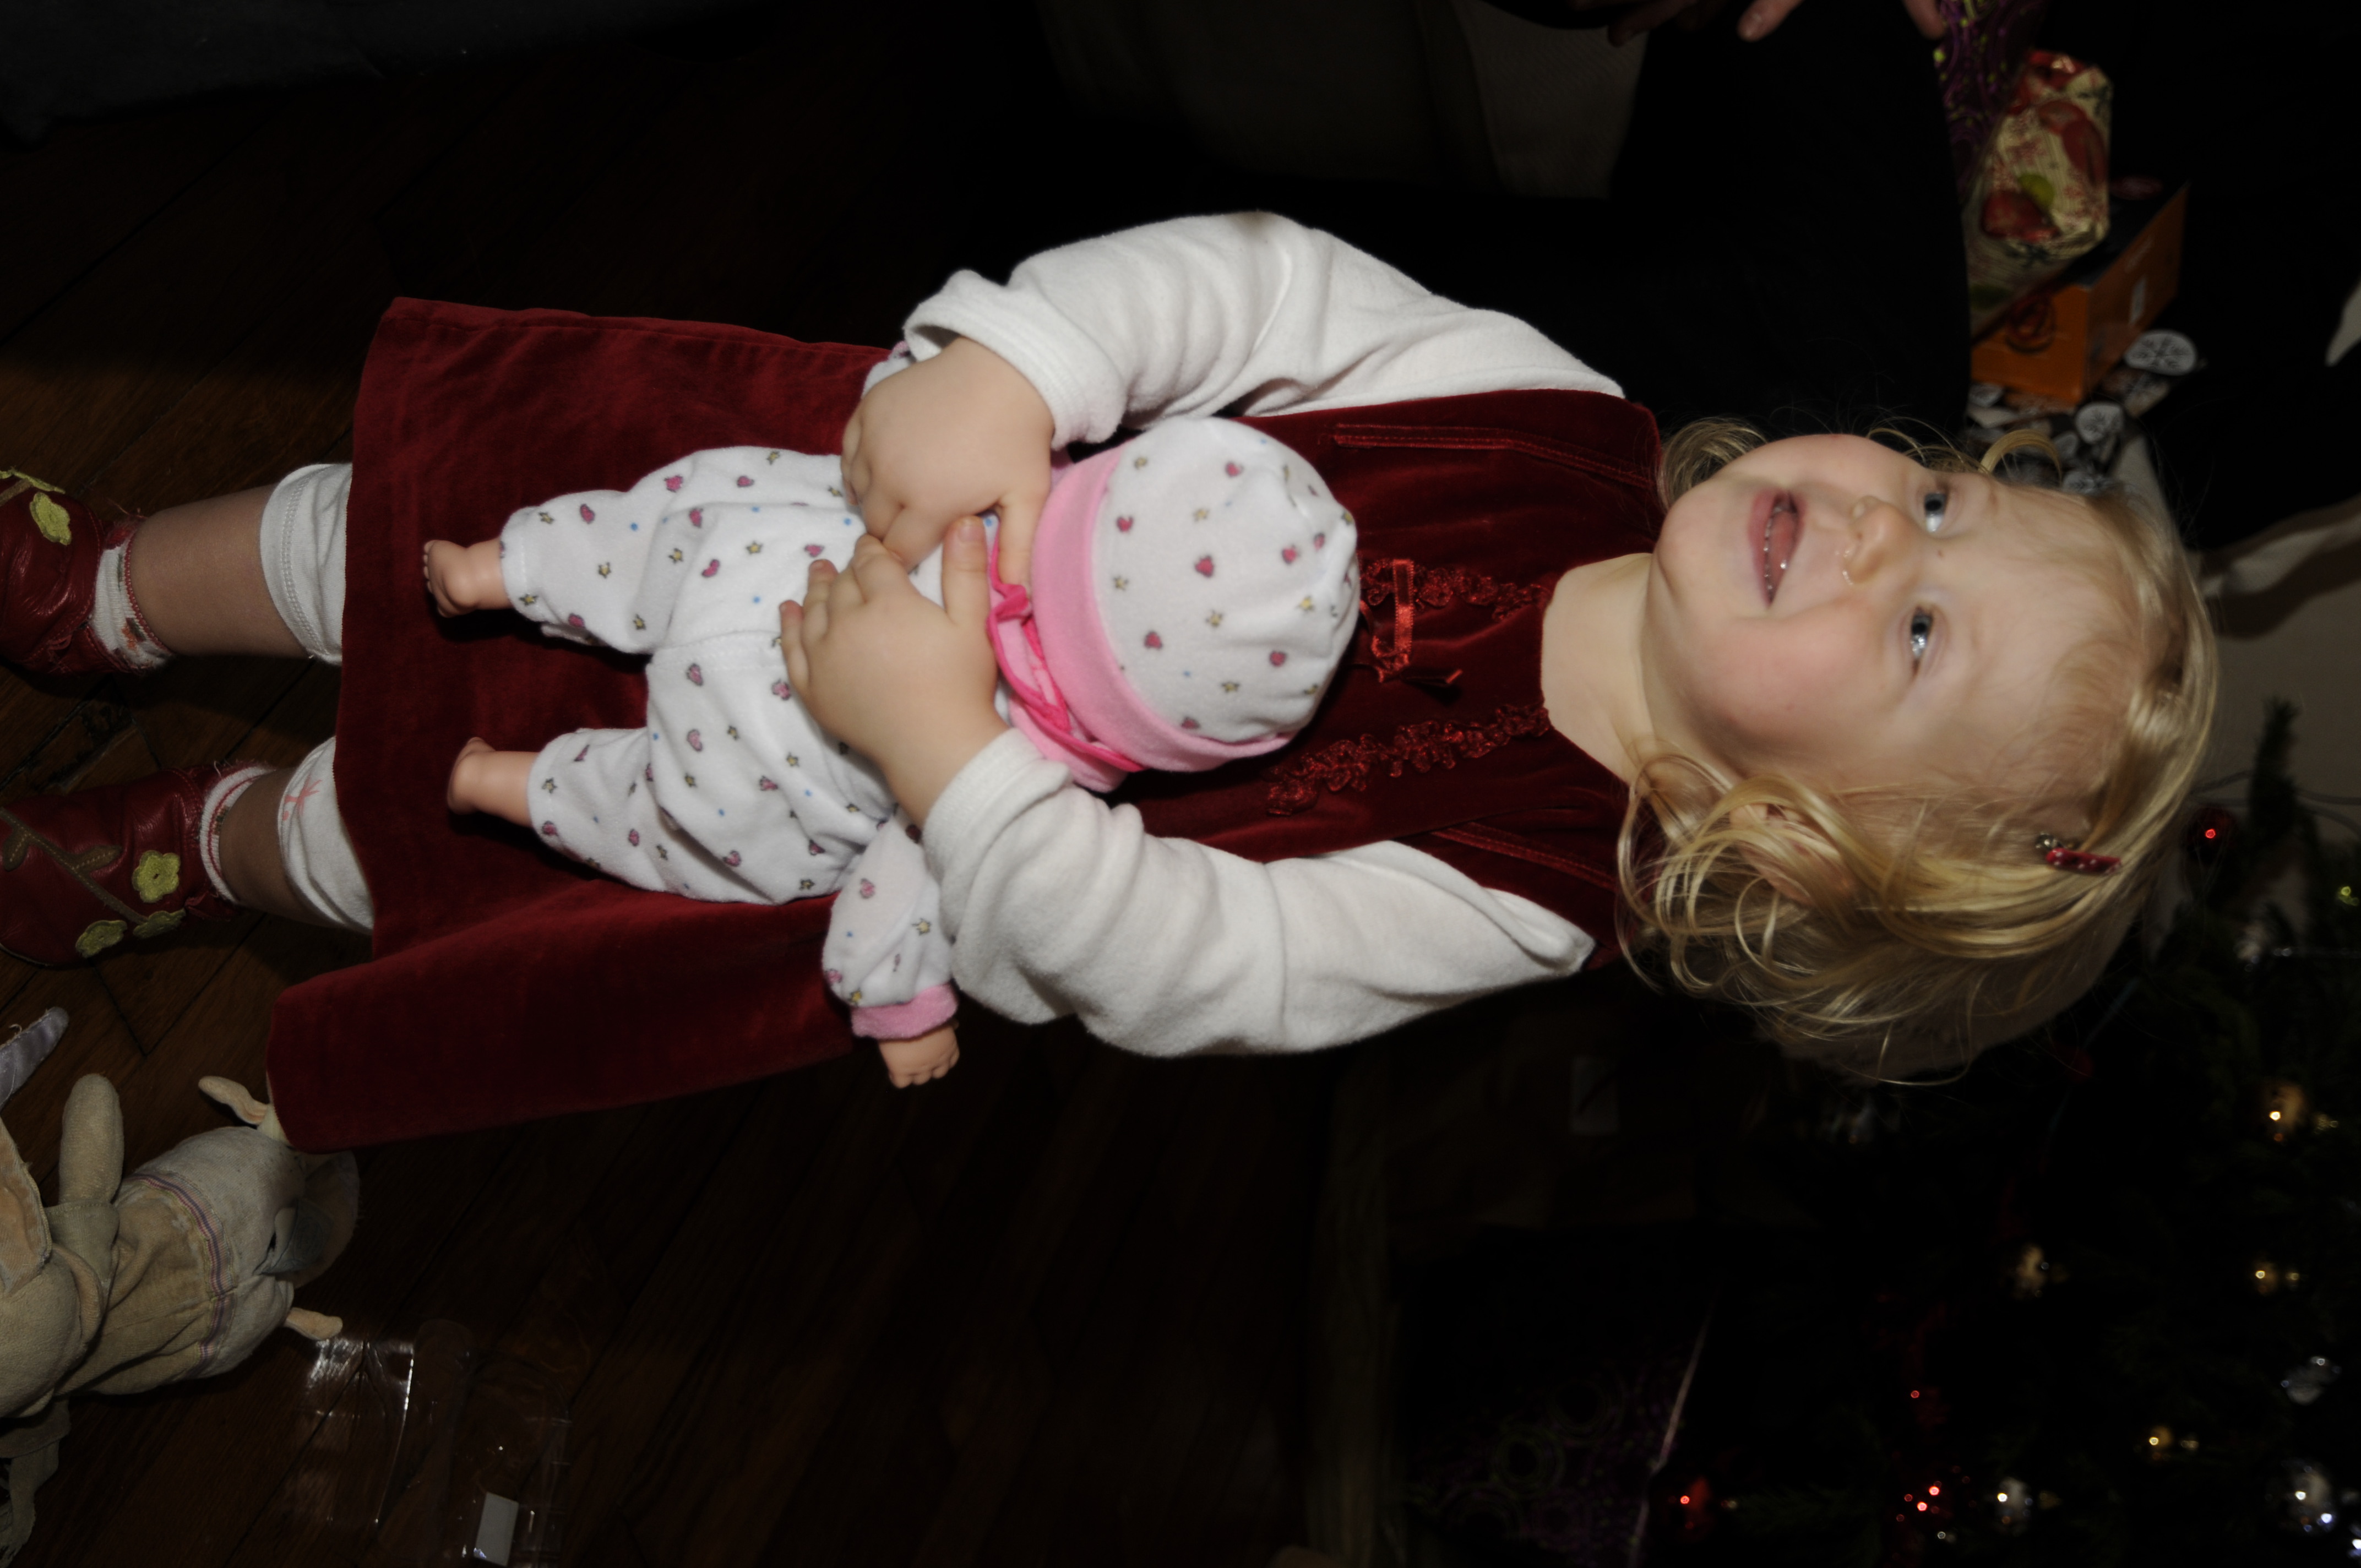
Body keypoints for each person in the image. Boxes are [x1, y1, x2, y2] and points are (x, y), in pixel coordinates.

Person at [0, 213, 2216, 1082]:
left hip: (807, 825)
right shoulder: (1557, 418)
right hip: (812, 495)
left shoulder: (1523, 895)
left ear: (1810, 842)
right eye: (1948, 491)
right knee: (389, 538)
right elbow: (1260, 288)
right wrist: (1021, 367)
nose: (1879, 526)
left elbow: (1181, 966)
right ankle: (107, 594)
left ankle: (198, 844)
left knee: (415, 839)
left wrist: (946, 755)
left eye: (1915, 625)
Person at [418, 417, 1358, 1085]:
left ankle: (501, 568)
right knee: (650, 818)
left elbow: (909, 420)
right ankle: (499, 782)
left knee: (651, 539)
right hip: (742, 770)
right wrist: (902, 1008)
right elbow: (898, 900)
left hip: (755, 572)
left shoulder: (974, 505)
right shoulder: (1002, 771)